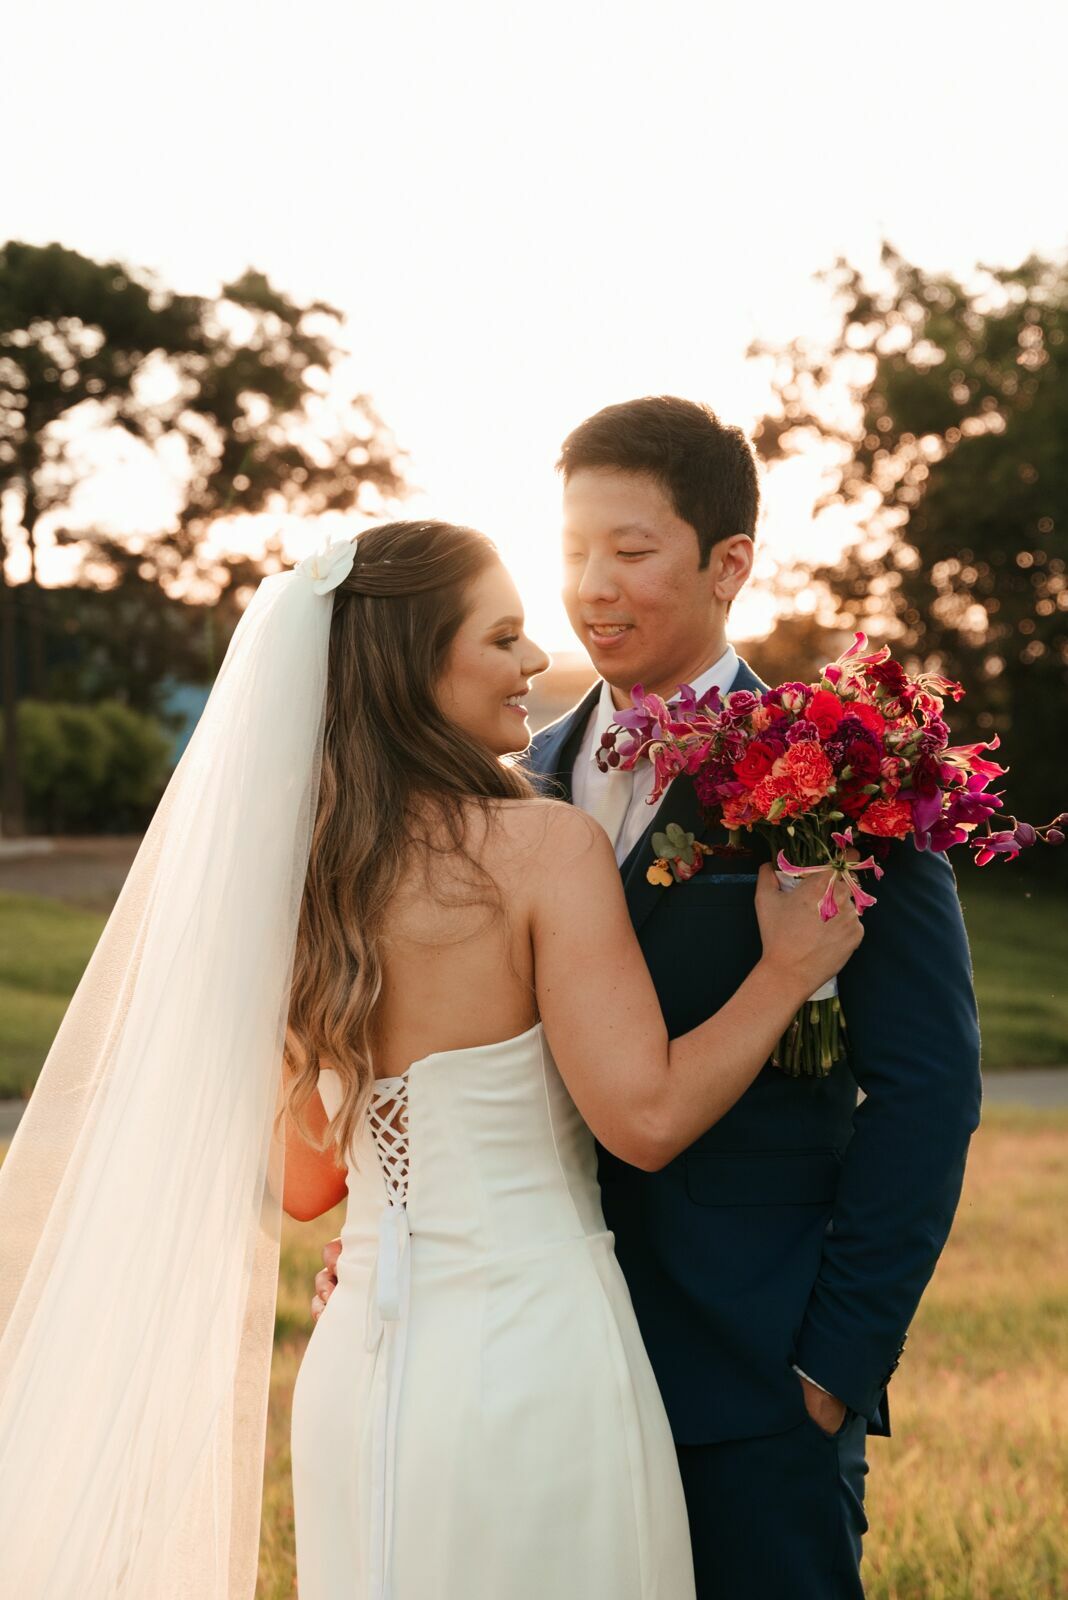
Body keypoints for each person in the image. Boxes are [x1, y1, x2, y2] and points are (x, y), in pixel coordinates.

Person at [0, 513, 860, 1600]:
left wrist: (393, 1206)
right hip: (535, 1353)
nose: (537, 659)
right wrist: (786, 974)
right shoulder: (541, 846)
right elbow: (643, 1119)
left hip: (360, 1369)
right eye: (501, 638)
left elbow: (309, 1185)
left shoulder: (296, 884)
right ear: (417, 664)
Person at [313, 400, 983, 1600]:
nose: (592, 589)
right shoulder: (512, 786)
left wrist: (834, 1360)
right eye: (572, 552)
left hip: (751, 1373)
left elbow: (929, 1088)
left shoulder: (849, 773)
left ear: (729, 563)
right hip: (529, 1358)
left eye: (631, 551)